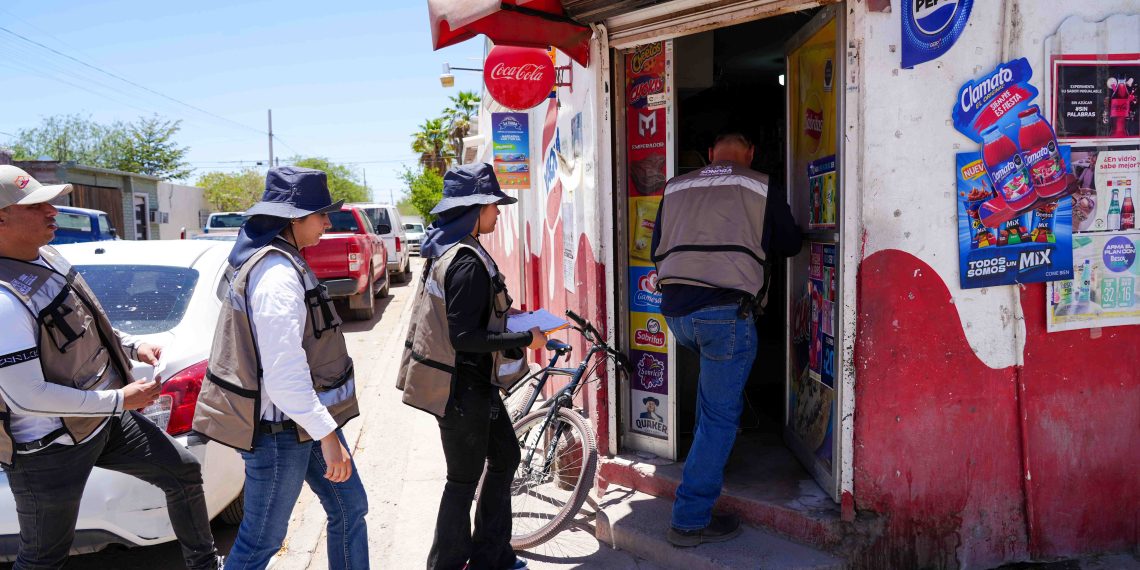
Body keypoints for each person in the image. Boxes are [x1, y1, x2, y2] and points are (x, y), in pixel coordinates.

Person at [0, 165, 221, 570]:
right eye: (36, 205)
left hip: (102, 422)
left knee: (183, 472)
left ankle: (204, 565)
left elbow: (85, 322)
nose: (53, 211)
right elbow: (26, 397)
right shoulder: (3, 298)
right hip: (49, 452)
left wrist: (132, 346)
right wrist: (121, 400)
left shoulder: (47, 255)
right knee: (43, 558)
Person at [192, 166, 368, 570]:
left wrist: (321, 429)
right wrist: (328, 435)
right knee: (261, 541)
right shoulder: (276, 276)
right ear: (293, 219)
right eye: (320, 213)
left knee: (350, 507)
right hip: (280, 433)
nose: (328, 221)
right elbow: (284, 375)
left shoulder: (286, 261)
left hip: (301, 423)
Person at [650, 132, 803, 547]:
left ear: (710, 154)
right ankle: (690, 519)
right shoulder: (759, 184)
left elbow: (655, 250)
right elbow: (789, 243)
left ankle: (705, 474)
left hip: (677, 315)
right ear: (750, 152)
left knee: (711, 407)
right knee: (719, 419)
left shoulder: (677, 185)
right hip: (724, 316)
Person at [397, 163, 546, 570]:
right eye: (493, 206)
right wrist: (525, 338)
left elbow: (475, 321)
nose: (498, 213)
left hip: (475, 388)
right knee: (462, 483)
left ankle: (491, 556)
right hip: (461, 392)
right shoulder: (465, 262)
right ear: (475, 209)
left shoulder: (460, 249)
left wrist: (514, 319)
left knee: (505, 458)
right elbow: (465, 338)